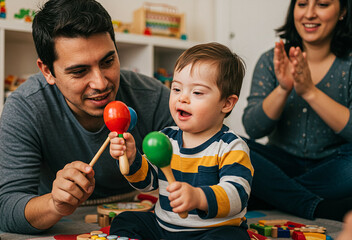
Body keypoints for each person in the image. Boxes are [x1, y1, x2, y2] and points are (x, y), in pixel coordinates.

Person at [0, 0, 174, 234]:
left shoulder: (154, 97)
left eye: (108, 61)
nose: (101, 83)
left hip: (137, 211)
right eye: (79, 71)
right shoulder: (25, 107)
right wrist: (55, 203)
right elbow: (7, 209)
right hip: (58, 220)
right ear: (48, 71)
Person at [108, 43, 253, 240]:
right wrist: (131, 157)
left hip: (211, 231)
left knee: (232, 238)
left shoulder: (231, 146)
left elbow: (237, 194)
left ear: (226, 103)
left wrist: (199, 197)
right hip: (164, 229)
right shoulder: (167, 138)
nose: (182, 98)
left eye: (197, 92)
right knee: (124, 221)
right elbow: (147, 182)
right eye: (176, 88)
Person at [242, 0, 352, 222]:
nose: (309, 14)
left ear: (342, 11)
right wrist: (284, 89)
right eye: (302, 4)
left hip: (333, 167)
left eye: (322, 4)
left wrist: (310, 91)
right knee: (229, 144)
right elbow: (253, 129)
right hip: (279, 164)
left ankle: (268, 193)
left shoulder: (348, 64)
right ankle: (317, 206)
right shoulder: (271, 60)